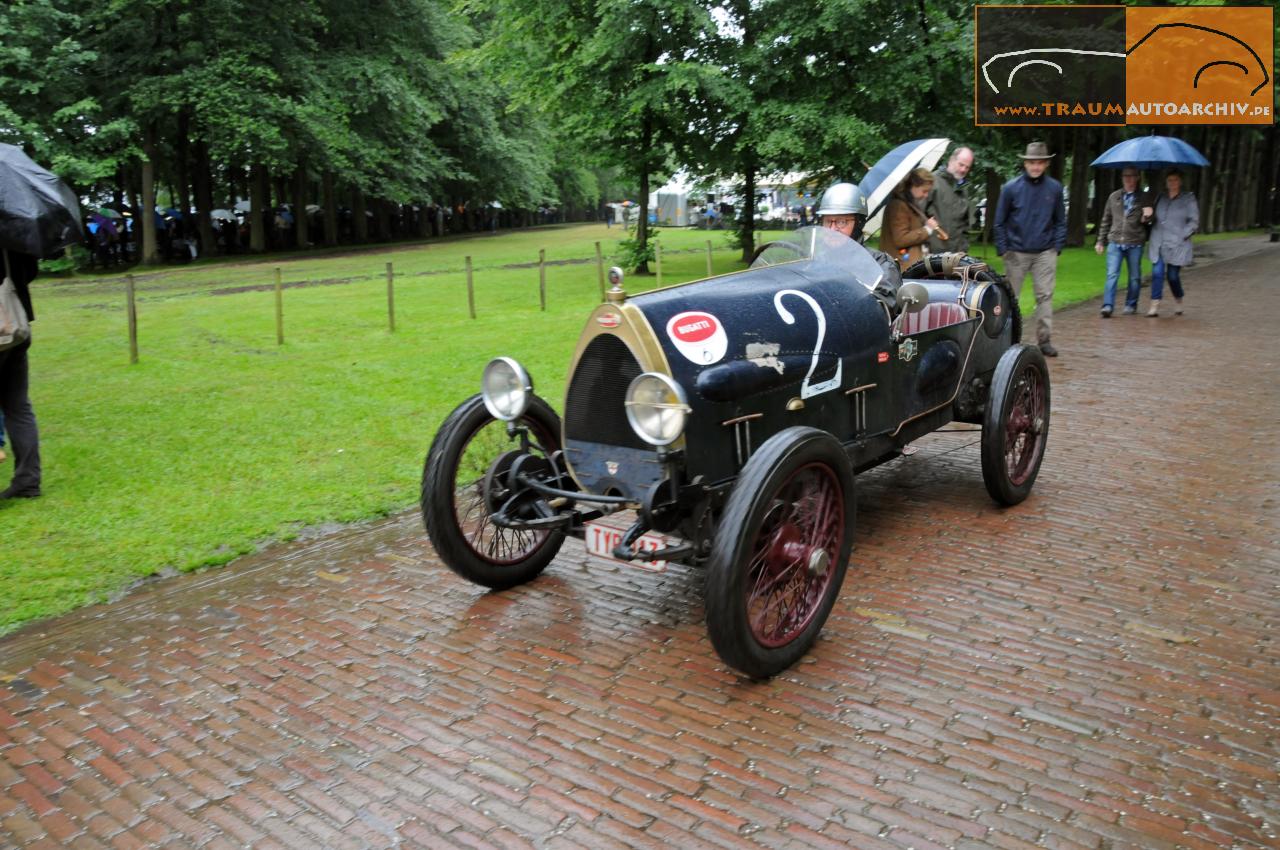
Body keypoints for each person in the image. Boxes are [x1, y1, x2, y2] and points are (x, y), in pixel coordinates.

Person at [994, 141, 1067, 357]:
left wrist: (1057, 247)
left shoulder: (1054, 188)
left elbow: (1060, 221)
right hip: (1016, 252)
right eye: (1032, 162)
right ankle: (1007, 339)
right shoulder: (1010, 188)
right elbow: (999, 221)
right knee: (1010, 297)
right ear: (1025, 163)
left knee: (1045, 296)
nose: (1036, 166)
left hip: (1045, 252)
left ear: (1045, 164)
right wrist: (1003, 249)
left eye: (1040, 162)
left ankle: (1044, 340)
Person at [816, 181, 901, 310]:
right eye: (828, 221)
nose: (832, 229)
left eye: (841, 222)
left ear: (858, 224)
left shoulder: (879, 264)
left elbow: (884, 304)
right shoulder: (814, 262)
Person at [0, 250, 41, 498]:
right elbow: (30, 271)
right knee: (18, 407)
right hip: (16, 327)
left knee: (18, 407)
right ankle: (28, 481)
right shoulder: (14, 229)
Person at [1095, 167, 1154, 317]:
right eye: (1125, 176)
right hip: (1115, 242)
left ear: (1138, 178)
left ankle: (1131, 304)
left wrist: (1147, 217)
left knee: (1134, 276)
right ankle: (1108, 306)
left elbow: (1150, 222)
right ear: (1122, 178)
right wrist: (1100, 241)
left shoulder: (1144, 198)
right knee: (1112, 274)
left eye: (1132, 176)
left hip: (1135, 242)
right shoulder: (1114, 196)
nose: (1129, 179)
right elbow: (1106, 219)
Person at [1146, 168, 1198, 317]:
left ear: (1180, 181)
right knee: (1157, 273)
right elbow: (1152, 218)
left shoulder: (1188, 199)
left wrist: (1184, 234)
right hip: (1159, 241)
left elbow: (1194, 221)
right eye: (1169, 180)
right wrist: (1148, 216)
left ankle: (1178, 298)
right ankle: (1154, 305)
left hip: (1177, 243)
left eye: (1175, 180)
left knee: (1172, 276)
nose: (1172, 183)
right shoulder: (1160, 198)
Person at [879, 168, 940, 270]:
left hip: (906, 264)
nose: (926, 195)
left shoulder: (909, 204)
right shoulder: (898, 206)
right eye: (924, 191)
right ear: (913, 186)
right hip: (901, 267)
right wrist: (927, 229)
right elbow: (901, 239)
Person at [926, 147, 975, 254]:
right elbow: (917, 213)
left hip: (956, 255)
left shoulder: (964, 189)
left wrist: (964, 249)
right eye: (961, 164)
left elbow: (966, 225)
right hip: (932, 254)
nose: (963, 170)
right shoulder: (932, 181)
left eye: (967, 167)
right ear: (951, 160)